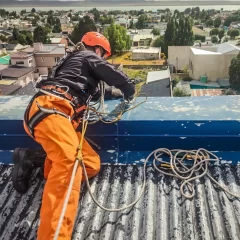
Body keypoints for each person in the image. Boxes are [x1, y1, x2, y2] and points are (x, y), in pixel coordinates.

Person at [12, 31, 135, 240]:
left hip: (55, 117)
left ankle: (30, 158)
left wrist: (112, 94)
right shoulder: (89, 56)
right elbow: (113, 74)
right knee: (70, 162)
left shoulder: (72, 64)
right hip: (51, 111)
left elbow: (93, 91)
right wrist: (129, 90)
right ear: (98, 50)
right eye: (102, 55)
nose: (101, 59)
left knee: (90, 164)